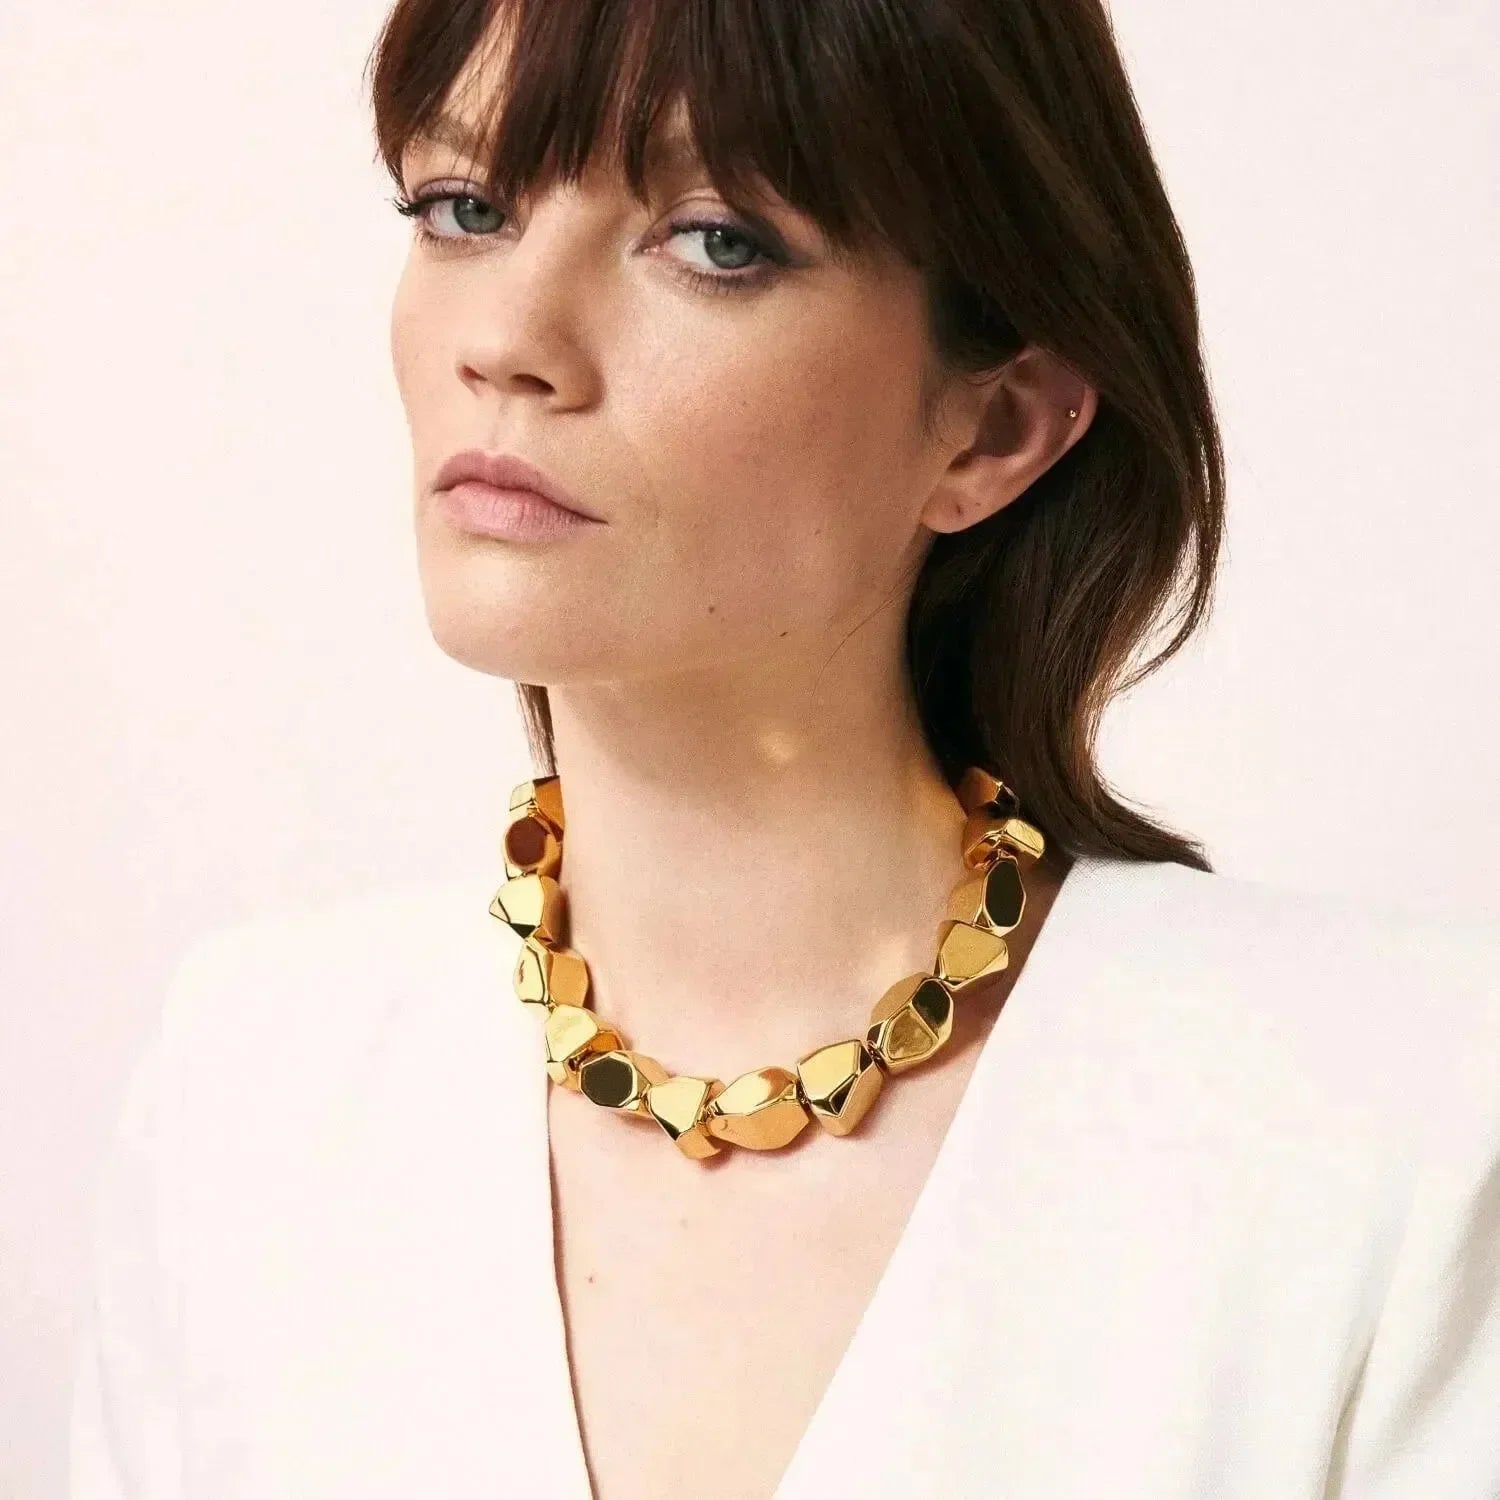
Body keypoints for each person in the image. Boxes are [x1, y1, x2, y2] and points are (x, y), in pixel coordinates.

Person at [70, 0, 1500, 1496]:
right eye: (464, 208)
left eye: (714, 241)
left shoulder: (1393, 1129)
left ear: (996, 429)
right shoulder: (247, 1099)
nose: (508, 342)